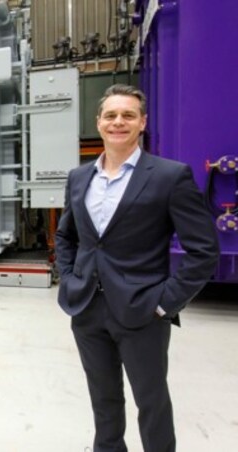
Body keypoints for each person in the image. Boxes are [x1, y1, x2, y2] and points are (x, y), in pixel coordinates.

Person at [55, 84, 219, 451]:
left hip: (143, 311)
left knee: (152, 403)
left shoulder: (169, 176)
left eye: (128, 115)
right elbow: (66, 237)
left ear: (142, 122)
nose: (118, 122)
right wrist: (69, 279)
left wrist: (164, 303)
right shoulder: (79, 178)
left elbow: (204, 251)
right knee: (104, 400)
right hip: (87, 308)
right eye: (111, 115)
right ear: (98, 123)